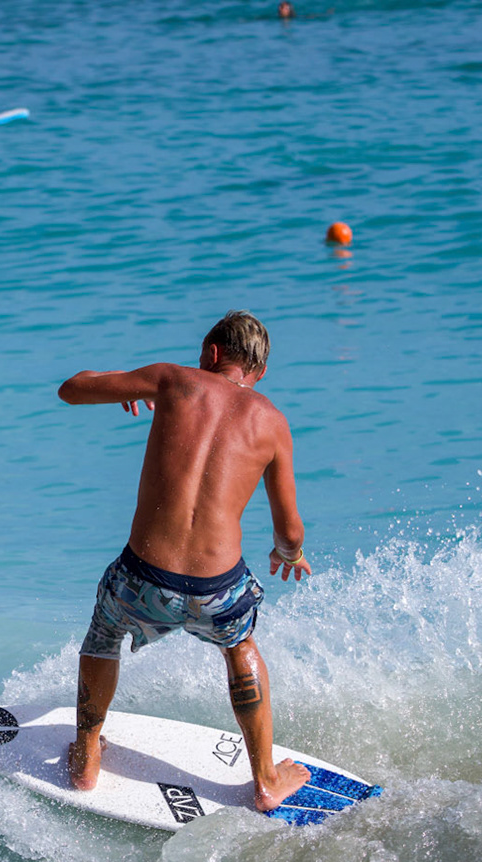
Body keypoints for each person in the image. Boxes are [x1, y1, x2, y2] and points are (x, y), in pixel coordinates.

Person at [57, 310, 314, 812]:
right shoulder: (272, 422)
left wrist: (128, 387)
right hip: (218, 591)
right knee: (239, 646)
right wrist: (291, 555)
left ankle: (87, 753)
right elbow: (289, 531)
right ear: (257, 372)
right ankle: (264, 780)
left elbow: (72, 388)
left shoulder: (172, 380)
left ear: (212, 353)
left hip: (141, 580)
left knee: (104, 635)